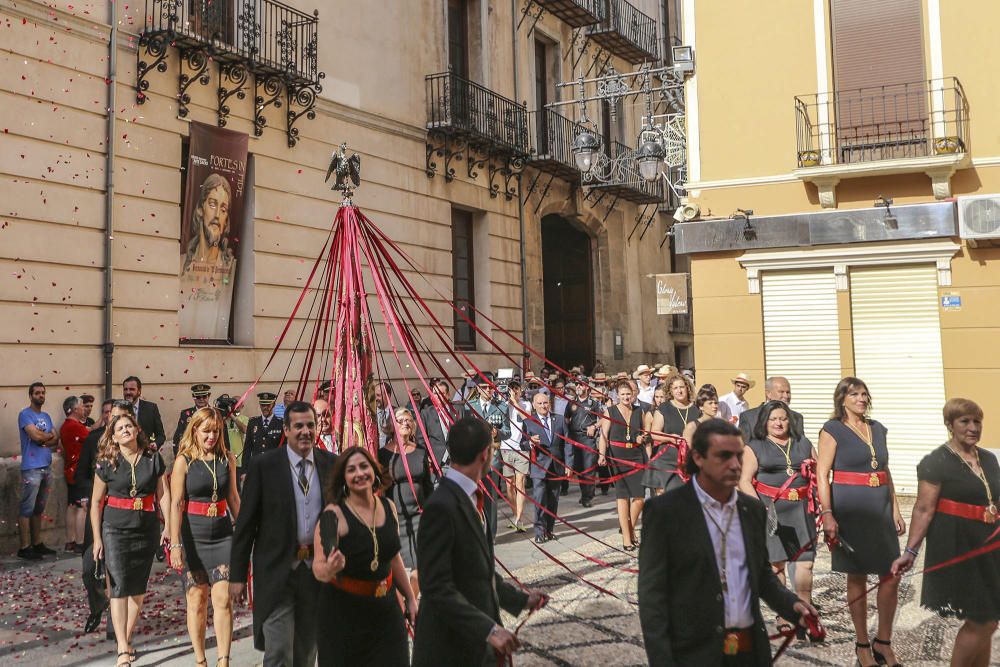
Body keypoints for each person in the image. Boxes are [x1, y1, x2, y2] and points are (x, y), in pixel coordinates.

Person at [638, 419, 817, 666]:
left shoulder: (752, 509)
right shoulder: (665, 512)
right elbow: (652, 597)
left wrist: (793, 606)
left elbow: (762, 576)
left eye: (738, 456)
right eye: (724, 456)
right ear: (698, 458)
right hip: (694, 653)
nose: (734, 465)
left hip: (747, 649)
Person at [412, 417, 547, 666]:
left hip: (476, 645)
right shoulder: (441, 507)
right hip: (450, 649)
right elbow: (436, 587)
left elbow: (477, 570)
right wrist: (490, 630)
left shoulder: (473, 497)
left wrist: (520, 600)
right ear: (485, 454)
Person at [892, 398, 1000, 667]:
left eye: (977, 421)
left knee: (989, 618)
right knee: (981, 618)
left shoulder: (987, 458)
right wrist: (910, 551)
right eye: (965, 421)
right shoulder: (936, 461)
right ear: (950, 424)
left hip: (989, 544)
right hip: (959, 547)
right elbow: (923, 509)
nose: (973, 427)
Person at [230, 401, 337, 667]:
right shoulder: (264, 466)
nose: (305, 431)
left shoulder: (331, 465)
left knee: (306, 652)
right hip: (277, 572)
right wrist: (237, 576)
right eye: (298, 426)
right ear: (286, 430)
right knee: (278, 652)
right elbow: (246, 525)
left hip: (316, 574)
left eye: (310, 425)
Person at [817, 377, 905, 667]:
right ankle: (862, 643)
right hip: (850, 508)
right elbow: (822, 475)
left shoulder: (877, 428)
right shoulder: (832, 430)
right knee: (856, 575)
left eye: (864, 394)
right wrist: (827, 512)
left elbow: (885, 470)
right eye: (854, 394)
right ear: (842, 398)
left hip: (879, 506)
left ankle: (884, 641)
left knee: (891, 575)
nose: (861, 398)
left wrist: (895, 510)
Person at [312, 447, 416, 666]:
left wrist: (410, 597)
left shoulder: (388, 506)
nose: (359, 473)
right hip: (344, 617)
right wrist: (330, 568)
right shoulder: (333, 514)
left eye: (363, 466)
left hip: (386, 610)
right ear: (344, 478)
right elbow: (318, 566)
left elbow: (393, 557)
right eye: (351, 470)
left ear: (374, 471)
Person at [90, 411, 170, 667]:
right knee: (120, 586)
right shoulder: (106, 461)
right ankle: (123, 647)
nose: (125, 430)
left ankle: (124, 636)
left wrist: (168, 525)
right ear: (113, 436)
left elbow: (163, 496)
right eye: (119, 428)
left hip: (146, 529)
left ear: (137, 430)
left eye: (129, 426)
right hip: (115, 530)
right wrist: (97, 538)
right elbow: (95, 502)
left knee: (138, 588)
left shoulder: (152, 459)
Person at [169, 408, 241, 667]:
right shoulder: (183, 461)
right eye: (206, 431)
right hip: (192, 536)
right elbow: (176, 504)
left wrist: (245, 533)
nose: (211, 436)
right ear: (195, 431)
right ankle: (200, 660)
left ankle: (224, 660)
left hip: (222, 535)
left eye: (216, 431)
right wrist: (175, 544)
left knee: (222, 599)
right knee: (197, 600)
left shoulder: (227, 459)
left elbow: (233, 498)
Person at [738, 400, 818, 634]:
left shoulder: (803, 443)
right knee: (777, 566)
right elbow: (744, 480)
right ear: (765, 422)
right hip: (771, 512)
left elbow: (818, 472)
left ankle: (805, 612)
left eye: (783, 418)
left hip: (802, 510)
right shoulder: (754, 446)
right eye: (773, 419)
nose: (779, 423)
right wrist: (759, 509)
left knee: (805, 564)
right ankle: (784, 613)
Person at [378, 407, 433, 589]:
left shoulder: (420, 451)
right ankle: (405, 604)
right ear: (392, 426)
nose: (406, 423)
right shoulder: (383, 454)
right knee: (400, 566)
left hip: (419, 515)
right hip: (395, 518)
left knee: (419, 562)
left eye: (409, 420)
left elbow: (427, 484)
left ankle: (413, 604)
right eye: (401, 420)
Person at [79, 399, 118, 634]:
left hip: (119, 515)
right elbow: (82, 473)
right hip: (96, 512)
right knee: (88, 569)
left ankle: (116, 627)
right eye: (104, 413)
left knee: (115, 572)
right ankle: (97, 605)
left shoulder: (128, 441)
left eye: (111, 413)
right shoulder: (93, 440)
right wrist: (90, 496)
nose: (107, 417)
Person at [598, 380, 648, 551]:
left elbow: (641, 433)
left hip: (636, 455)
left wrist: (641, 438)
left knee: (640, 497)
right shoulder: (610, 411)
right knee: (623, 496)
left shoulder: (639, 411)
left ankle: (630, 529)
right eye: (623, 394)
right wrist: (602, 455)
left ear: (633, 395)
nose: (626, 397)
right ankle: (627, 538)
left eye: (629, 394)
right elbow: (604, 435)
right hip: (617, 457)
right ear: (617, 395)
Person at [522, 391, 572, 543]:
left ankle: (549, 530)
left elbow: (568, 443)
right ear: (533, 405)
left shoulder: (560, 419)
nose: (543, 406)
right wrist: (530, 442)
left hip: (556, 466)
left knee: (553, 500)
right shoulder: (529, 422)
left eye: (545, 403)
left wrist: (569, 464)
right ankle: (539, 532)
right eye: (540, 403)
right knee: (539, 500)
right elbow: (522, 444)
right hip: (539, 467)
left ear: (549, 403)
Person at [17, 382, 59, 560]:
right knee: (27, 508)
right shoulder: (25, 414)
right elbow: (34, 436)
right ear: (30, 395)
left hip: (46, 467)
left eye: (43, 393)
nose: (40, 396)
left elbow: (55, 440)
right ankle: (24, 547)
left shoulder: (47, 416)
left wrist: (45, 438)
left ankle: (37, 543)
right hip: (31, 468)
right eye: (37, 393)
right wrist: (45, 437)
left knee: (39, 509)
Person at [647, 374, 701, 494]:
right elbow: (654, 433)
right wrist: (670, 438)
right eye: (675, 388)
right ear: (670, 391)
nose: (679, 391)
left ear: (687, 388)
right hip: (667, 457)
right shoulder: (664, 408)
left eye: (682, 387)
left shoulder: (697, 409)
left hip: (690, 458)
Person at [565, 380, 604, 508]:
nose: (578, 387)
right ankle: (584, 494)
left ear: (586, 387)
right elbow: (566, 418)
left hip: (588, 438)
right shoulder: (572, 402)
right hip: (575, 438)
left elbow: (604, 418)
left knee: (588, 468)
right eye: (576, 385)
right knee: (580, 469)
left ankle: (588, 496)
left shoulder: (593, 403)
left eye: (581, 384)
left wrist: (594, 426)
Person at [61, 395, 92, 553]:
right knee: (82, 506)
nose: (84, 409)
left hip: (71, 470)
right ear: (74, 409)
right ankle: (80, 542)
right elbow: (91, 437)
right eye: (81, 406)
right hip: (80, 471)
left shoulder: (66, 426)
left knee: (72, 505)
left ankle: (70, 541)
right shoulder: (74, 426)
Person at [499, 380, 530, 529]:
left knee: (520, 484)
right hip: (505, 448)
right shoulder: (503, 405)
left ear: (521, 391)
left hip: (521, 449)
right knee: (509, 486)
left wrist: (515, 401)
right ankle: (515, 514)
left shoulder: (526, 404)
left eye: (516, 389)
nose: (514, 391)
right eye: (511, 389)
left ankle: (519, 518)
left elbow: (525, 417)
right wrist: (505, 401)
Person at [738, 376, 804, 444]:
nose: (786, 396)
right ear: (768, 393)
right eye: (781, 392)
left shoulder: (797, 418)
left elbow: (801, 446)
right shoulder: (749, 417)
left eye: (788, 392)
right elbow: (743, 448)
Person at [416, 379, 456, 472]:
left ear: (448, 394)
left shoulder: (457, 411)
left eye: (442, 393)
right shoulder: (426, 413)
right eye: (435, 393)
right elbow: (420, 439)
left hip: (456, 463)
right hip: (436, 464)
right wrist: (425, 457)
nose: (438, 396)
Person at [243, 392, 284, 471]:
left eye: (268, 405)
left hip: (275, 468)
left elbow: (285, 449)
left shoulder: (281, 423)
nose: (265, 408)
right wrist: (244, 471)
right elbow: (247, 449)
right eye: (262, 405)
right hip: (256, 468)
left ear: (274, 405)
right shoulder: (253, 422)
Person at [123, 376, 167, 449]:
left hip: (144, 453)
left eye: (132, 389)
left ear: (139, 391)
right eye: (125, 389)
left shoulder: (151, 408)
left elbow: (161, 435)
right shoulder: (118, 408)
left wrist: (155, 443)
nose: (128, 392)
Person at [174, 384, 212, 453]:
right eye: (198, 397)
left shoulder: (216, 413)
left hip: (211, 454)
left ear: (208, 396)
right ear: (193, 397)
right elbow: (178, 437)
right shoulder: (185, 414)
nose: (201, 399)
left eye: (204, 396)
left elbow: (223, 438)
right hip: (192, 454)